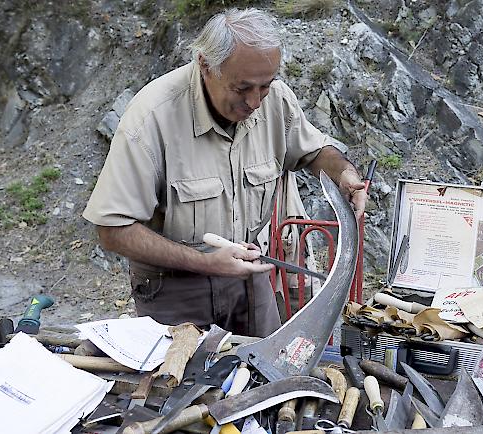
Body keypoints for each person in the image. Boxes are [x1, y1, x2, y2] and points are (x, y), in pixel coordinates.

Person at [83, 8, 367, 337]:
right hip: (176, 295)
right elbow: (112, 229)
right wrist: (205, 262)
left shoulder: (274, 99)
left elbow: (314, 150)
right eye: (242, 88)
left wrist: (343, 172)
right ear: (205, 65)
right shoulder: (152, 118)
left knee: (265, 377)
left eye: (265, 86)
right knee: (181, 384)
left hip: (251, 284)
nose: (255, 101)